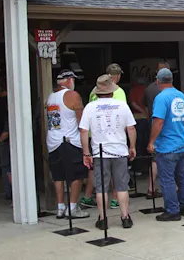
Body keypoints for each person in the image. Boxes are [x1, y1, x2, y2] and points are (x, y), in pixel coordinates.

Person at [80, 75, 136, 229]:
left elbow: (83, 131)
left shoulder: (90, 107)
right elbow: (131, 128)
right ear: (112, 91)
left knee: (101, 187)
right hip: (119, 150)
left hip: (100, 152)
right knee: (122, 186)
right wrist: (132, 147)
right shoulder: (122, 105)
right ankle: (125, 217)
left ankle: (103, 218)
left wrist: (86, 152)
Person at [148, 68, 184, 221]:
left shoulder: (161, 98)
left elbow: (158, 121)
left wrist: (151, 141)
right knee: (182, 176)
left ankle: (172, 210)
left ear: (158, 81)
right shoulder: (181, 95)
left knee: (167, 179)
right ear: (172, 80)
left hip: (167, 145)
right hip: (182, 143)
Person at [45, 70, 90, 219]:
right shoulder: (72, 95)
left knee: (58, 175)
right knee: (77, 174)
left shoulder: (51, 97)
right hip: (70, 140)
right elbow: (81, 121)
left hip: (53, 141)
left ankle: (60, 207)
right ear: (70, 80)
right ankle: (72, 207)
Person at [142, 61, 169, 199]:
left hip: (153, 124)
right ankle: (175, 187)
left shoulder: (148, 89)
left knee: (155, 158)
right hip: (166, 126)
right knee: (171, 157)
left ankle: (151, 187)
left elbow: (146, 108)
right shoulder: (166, 90)